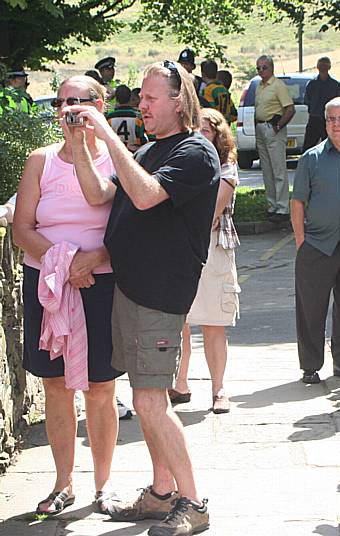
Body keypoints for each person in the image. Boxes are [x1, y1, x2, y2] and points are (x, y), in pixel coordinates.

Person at [66, 60, 219, 536]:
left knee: (152, 402)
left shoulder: (196, 152)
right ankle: (160, 493)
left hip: (159, 294)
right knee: (146, 397)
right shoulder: (151, 151)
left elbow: (149, 196)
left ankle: (193, 502)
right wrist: (78, 144)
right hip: (131, 290)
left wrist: (108, 135)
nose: (142, 105)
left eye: (151, 99)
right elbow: (97, 195)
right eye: (142, 98)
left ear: (179, 100)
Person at [13, 75, 121, 516]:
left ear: (101, 105)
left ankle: (104, 485)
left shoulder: (117, 159)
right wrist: (63, 261)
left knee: (100, 387)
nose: (71, 110)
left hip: (102, 282)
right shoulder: (39, 161)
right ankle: (63, 483)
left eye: (80, 102)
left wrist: (91, 260)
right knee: (55, 385)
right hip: (50, 284)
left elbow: (132, 228)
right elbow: (22, 229)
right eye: (63, 102)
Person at [291, 97, 340, 384]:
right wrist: (302, 241)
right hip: (317, 245)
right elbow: (298, 202)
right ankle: (310, 366)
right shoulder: (311, 158)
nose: (336, 124)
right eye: (331, 119)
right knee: (311, 308)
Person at [170, 108, 241, 414]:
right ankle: (179, 383)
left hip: (214, 251)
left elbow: (209, 211)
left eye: (207, 131)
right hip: (181, 250)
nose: (200, 136)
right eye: (195, 130)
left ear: (218, 136)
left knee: (213, 323)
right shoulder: (179, 163)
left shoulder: (226, 168)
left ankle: (219, 389)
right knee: (179, 322)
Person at [255, 54, 295, 222]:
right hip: (260, 128)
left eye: (264, 67)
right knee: (267, 171)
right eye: (258, 68)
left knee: (278, 169)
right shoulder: (259, 86)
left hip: (273, 128)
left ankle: (283, 207)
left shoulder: (278, 85)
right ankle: (272, 206)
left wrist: (278, 126)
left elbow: (290, 109)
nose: (261, 71)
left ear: (271, 68)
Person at [302, 56, 340, 151]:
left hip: (331, 120)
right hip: (314, 119)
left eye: (324, 66)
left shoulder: (336, 85)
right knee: (308, 148)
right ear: (317, 67)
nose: (323, 68)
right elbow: (307, 101)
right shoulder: (311, 84)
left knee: (332, 147)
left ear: (329, 67)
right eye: (321, 66)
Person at [105, 85, 148, 152]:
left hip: (115, 153)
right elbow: (150, 137)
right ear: (130, 98)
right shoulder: (139, 117)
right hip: (135, 154)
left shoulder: (109, 118)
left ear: (116, 99)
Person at [200, 59, 237, 123]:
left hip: (214, 126)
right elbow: (234, 114)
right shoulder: (224, 89)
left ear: (203, 74)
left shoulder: (207, 91)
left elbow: (208, 112)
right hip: (225, 126)